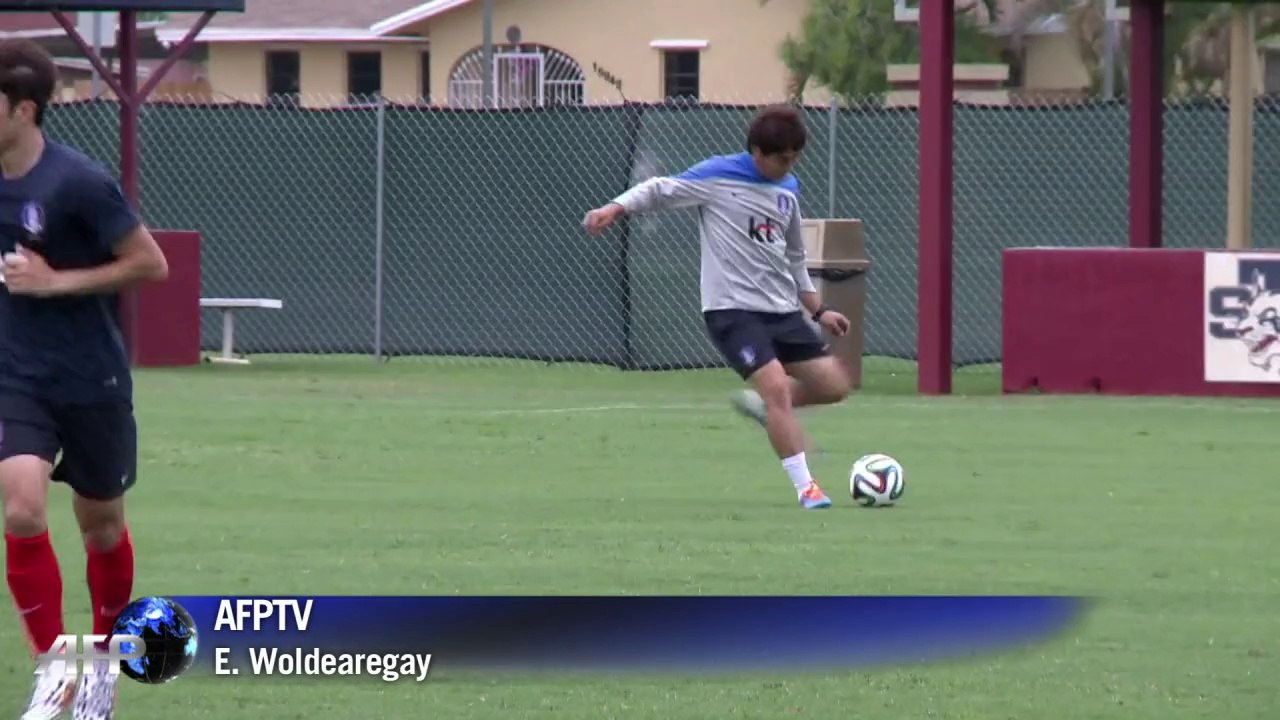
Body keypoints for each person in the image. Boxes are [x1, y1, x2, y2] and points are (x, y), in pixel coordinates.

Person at [0, 39, 169, 720]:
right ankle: (54, 671)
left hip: (91, 376)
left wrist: (54, 282)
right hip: (16, 372)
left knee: (101, 526)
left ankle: (102, 664)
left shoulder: (78, 183)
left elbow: (150, 264)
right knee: (19, 503)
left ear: (22, 111)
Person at [584, 104, 852, 510]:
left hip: (781, 311)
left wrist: (818, 312)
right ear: (757, 152)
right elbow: (658, 188)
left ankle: (769, 411)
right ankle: (807, 488)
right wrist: (615, 208)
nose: (790, 166)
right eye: (783, 158)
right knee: (778, 387)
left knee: (834, 386)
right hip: (732, 312)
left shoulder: (788, 191)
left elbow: (795, 258)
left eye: (796, 158)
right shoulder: (717, 176)